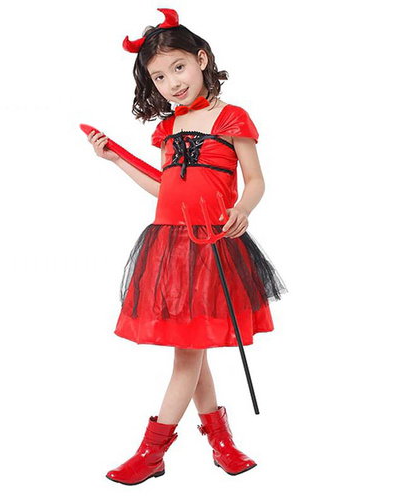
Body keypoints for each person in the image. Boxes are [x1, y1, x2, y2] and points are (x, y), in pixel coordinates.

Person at [86, 8, 288, 486]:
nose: (172, 83)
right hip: (172, 249)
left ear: (201, 60)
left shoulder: (232, 117)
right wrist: (115, 159)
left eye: (178, 67)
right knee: (191, 349)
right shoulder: (167, 129)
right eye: (159, 77)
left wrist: (243, 208)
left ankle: (152, 452)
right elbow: (164, 189)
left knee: (188, 353)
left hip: (214, 245)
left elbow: (256, 180)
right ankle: (221, 442)